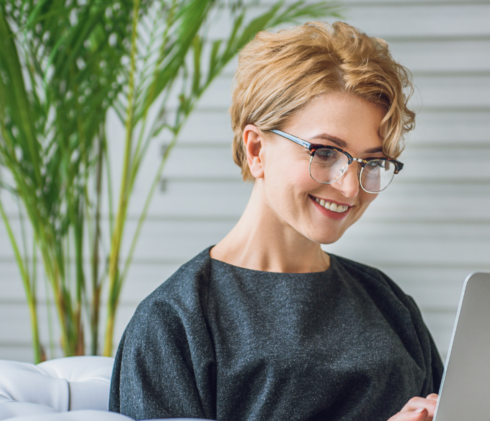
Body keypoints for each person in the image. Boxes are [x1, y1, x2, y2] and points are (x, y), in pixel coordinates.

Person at [110, 21, 444, 421]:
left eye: (371, 162)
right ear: (256, 149)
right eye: (325, 153)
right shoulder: (175, 323)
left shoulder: (389, 304)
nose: (352, 189)